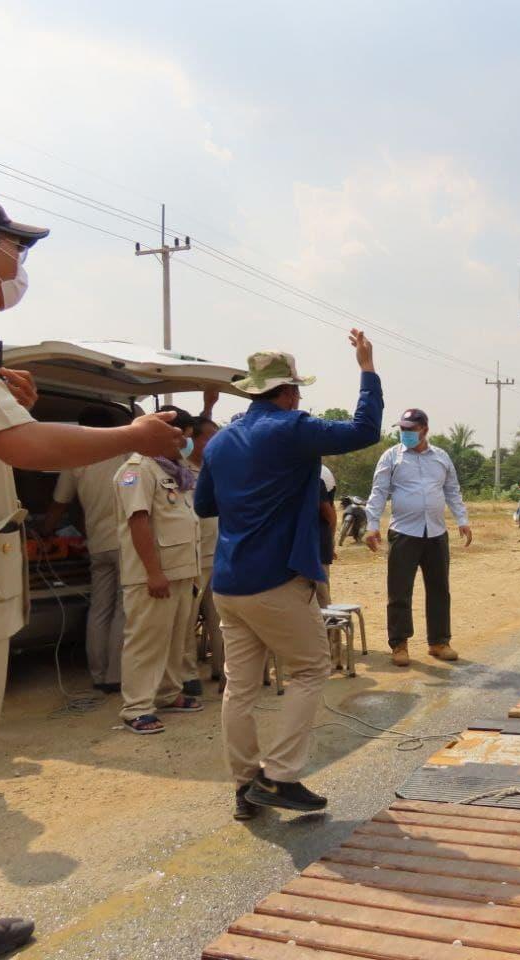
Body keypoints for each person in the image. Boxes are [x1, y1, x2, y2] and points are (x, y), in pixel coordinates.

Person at [0, 189, 183, 960]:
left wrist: (10, 399)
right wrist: (133, 432)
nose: (19, 262)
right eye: (13, 246)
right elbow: (22, 448)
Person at [195, 338, 382, 821]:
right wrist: (367, 368)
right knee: (310, 668)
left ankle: (244, 787)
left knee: (240, 687)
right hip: (275, 579)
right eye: (296, 390)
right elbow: (365, 430)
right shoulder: (292, 428)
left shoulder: (219, 442)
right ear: (288, 392)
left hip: (229, 583)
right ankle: (279, 776)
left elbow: (203, 506)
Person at [114, 405, 204, 734]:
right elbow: (138, 521)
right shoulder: (137, 470)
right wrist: (153, 572)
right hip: (154, 574)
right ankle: (136, 707)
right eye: (183, 439)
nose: (185, 446)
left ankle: (168, 693)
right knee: (146, 641)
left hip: (180, 570)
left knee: (175, 639)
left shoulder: (171, 470)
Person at [365, 409, 473, 667]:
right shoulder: (392, 457)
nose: (405, 434)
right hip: (404, 533)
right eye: (402, 429)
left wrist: (463, 520)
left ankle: (438, 642)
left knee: (439, 589)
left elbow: (452, 491)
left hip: (436, 532)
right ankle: (399, 645)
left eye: (410, 430)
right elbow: (379, 491)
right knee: (399, 591)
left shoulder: (441, 457)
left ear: (424, 429)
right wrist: (371, 525)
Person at [41, 405, 130, 693]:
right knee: (123, 610)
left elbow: (59, 504)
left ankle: (98, 674)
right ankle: (117, 675)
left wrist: (44, 532)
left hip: (97, 544)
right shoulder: (124, 454)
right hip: (125, 543)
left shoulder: (75, 459)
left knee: (99, 608)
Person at [183, 410, 223, 694]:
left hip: (219, 555)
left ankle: (223, 671)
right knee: (187, 620)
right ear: (193, 440)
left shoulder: (217, 470)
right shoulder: (178, 470)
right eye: (210, 437)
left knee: (220, 619)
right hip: (192, 558)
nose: (216, 442)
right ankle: (187, 676)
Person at [316, 464, 338, 608]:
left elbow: (328, 512)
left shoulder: (315, 477)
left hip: (316, 545)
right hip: (318, 544)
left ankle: (328, 631)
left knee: (321, 596)